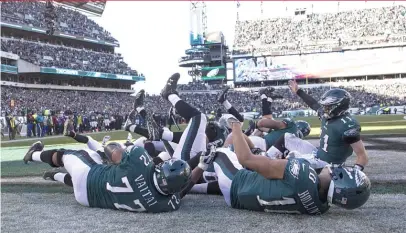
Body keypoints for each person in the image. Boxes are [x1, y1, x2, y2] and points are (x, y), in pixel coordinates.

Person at [211, 119, 371, 215]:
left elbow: (246, 159)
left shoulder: (301, 171)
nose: (335, 168)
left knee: (225, 146)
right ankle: (198, 186)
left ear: (337, 179)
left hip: (237, 184)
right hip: (241, 201)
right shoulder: (320, 208)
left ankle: (200, 171)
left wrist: (235, 126)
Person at [286, 80, 368, 170]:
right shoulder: (328, 116)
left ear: (338, 107)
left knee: (291, 161)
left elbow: (362, 156)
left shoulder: (347, 125)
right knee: (287, 138)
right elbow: (313, 104)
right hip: (318, 154)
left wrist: (354, 172)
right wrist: (298, 91)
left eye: (328, 107)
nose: (324, 109)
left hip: (329, 165)